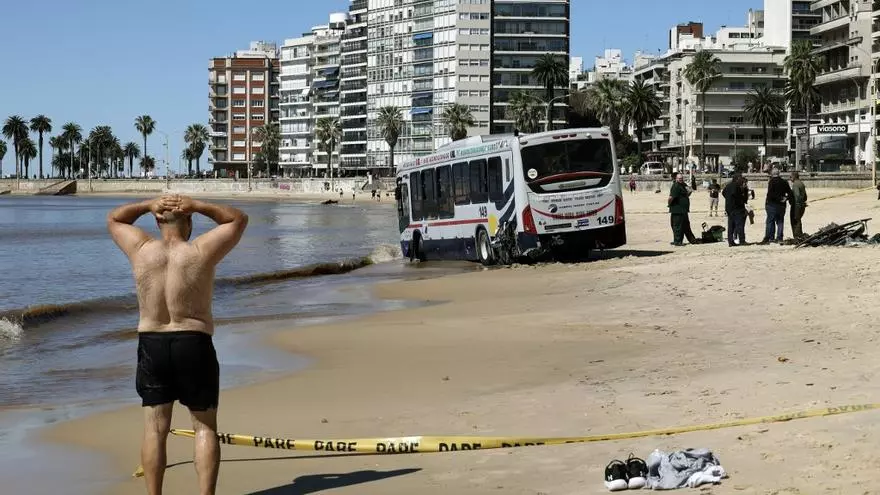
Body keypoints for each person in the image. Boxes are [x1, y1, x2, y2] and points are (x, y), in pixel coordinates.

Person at [107, 195, 248, 495]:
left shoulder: (141, 249)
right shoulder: (200, 250)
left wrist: (148, 204)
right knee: (205, 427)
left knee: (155, 430)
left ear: (157, 221)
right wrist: (196, 204)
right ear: (190, 222)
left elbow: (115, 219)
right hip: (193, 341)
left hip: (152, 344)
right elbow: (237, 219)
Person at [760, 168, 792, 244]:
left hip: (772, 204)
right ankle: (779, 237)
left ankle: (769, 237)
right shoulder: (784, 182)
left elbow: (770, 194)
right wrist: (785, 198)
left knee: (770, 221)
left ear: (772, 174)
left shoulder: (771, 182)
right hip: (781, 205)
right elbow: (790, 192)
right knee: (780, 221)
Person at [668, 172, 698, 246]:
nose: (681, 180)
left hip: (681, 209)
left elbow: (689, 191)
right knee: (678, 226)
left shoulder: (683, 185)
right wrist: (669, 204)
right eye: (679, 179)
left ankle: (679, 241)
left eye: (681, 178)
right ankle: (678, 240)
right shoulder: (676, 186)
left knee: (680, 226)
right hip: (677, 209)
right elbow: (671, 197)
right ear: (676, 179)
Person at [722, 174, 747, 246]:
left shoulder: (728, 185)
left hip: (729, 208)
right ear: (737, 179)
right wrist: (740, 200)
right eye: (740, 179)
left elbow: (723, 193)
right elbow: (736, 195)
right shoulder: (736, 186)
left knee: (731, 226)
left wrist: (728, 199)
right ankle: (742, 240)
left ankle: (730, 241)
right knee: (739, 225)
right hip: (736, 208)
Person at [789, 171, 807, 239]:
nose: (790, 178)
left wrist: (797, 204)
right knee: (798, 220)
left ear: (794, 177)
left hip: (797, 205)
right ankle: (799, 234)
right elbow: (805, 196)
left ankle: (797, 236)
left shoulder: (795, 184)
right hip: (801, 204)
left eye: (790, 177)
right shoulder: (801, 183)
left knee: (795, 221)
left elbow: (797, 195)